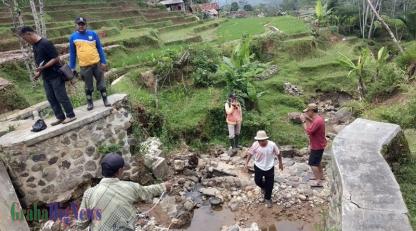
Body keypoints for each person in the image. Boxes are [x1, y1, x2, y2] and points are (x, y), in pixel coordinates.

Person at [77, 153, 172, 230]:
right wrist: (163, 186)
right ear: (120, 171)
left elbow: (81, 224)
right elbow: (147, 192)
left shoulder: (89, 194)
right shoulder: (130, 187)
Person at [18, 26, 76, 126]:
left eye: (24, 38)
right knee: (51, 98)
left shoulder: (45, 43)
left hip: (55, 74)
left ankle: (71, 115)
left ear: (29, 34)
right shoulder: (35, 46)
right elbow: (40, 63)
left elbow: (56, 58)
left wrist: (43, 67)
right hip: (46, 77)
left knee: (61, 96)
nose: (25, 41)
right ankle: (60, 117)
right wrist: (38, 73)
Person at [69, 17, 110, 111]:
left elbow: (99, 48)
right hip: (84, 66)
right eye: (79, 24)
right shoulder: (73, 37)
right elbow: (72, 53)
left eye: (82, 24)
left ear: (86, 24)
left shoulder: (93, 34)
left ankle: (105, 100)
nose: (81, 26)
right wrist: (72, 67)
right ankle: (90, 103)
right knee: (88, 86)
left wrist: (103, 61)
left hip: (97, 64)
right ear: (76, 25)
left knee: (102, 84)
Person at [245, 130, 283, 208]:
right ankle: (264, 187)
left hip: (269, 167)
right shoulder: (255, 145)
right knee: (257, 181)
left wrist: (280, 163)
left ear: (266, 139)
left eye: (262, 140)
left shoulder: (272, 145)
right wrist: (246, 163)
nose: (261, 142)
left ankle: (268, 198)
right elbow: (250, 153)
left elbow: (278, 154)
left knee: (270, 184)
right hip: (258, 166)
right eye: (259, 141)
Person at [300, 103, 327, 188]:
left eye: (308, 111)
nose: (307, 113)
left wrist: (304, 121)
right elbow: (314, 124)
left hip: (317, 145)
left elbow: (309, 131)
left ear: (311, 111)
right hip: (319, 144)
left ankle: (318, 181)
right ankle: (321, 176)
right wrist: (308, 119)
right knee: (317, 161)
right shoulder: (318, 119)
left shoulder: (317, 121)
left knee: (312, 163)